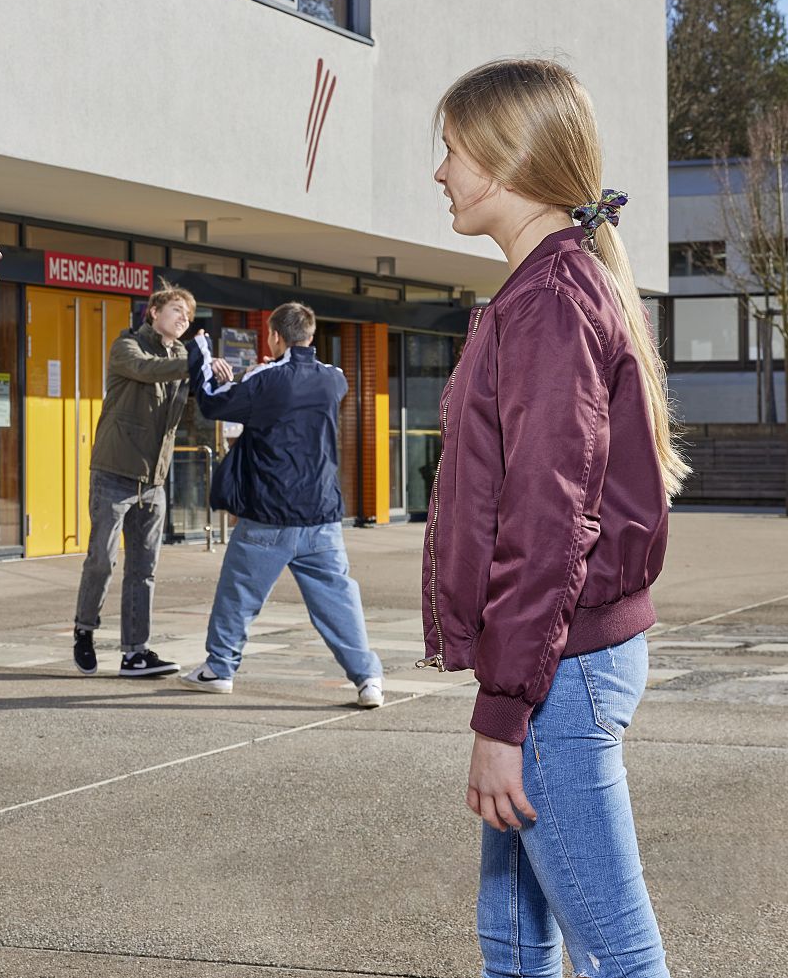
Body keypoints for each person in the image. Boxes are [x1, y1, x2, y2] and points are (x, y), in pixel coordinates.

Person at [424, 58, 687, 978]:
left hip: (556, 672)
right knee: (514, 934)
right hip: (555, 661)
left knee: (616, 955)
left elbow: (547, 526)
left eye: (450, 150)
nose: (441, 172)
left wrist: (503, 715)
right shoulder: (544, 292)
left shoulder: (546, 304)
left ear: (499, 163)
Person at [177, 302, 384, 709]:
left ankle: (219, 668)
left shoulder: (266, 377)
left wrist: (200, 352)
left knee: (238, 594)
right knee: (338, 600)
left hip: (268, 514)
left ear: (275, 336)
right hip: (322, 515)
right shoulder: (334, 380)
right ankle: (368, 679)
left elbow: (215, 403)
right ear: (310, 335)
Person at [71, 284, 213, 677]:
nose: (183, 318)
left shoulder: (185, 356)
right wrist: (196, 362)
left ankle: (136, 652)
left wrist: (217, 371)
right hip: (114, 472)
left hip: (155, 480)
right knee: (102, 559)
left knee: (143, 567)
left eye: (188, 314)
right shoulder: (127, 347)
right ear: (153, 313)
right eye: (176, 310)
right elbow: (147, 372)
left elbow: (201, 389)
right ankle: (84, 630)